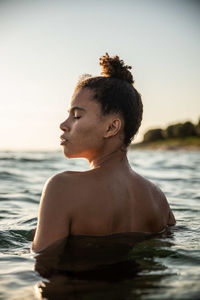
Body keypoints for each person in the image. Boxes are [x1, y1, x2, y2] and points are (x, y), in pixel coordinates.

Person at [32, 53, 175, 252]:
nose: (63, 125)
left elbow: (42, 266)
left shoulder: (62, 188)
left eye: (76, 115)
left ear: (111, 128)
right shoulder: (158, 199)